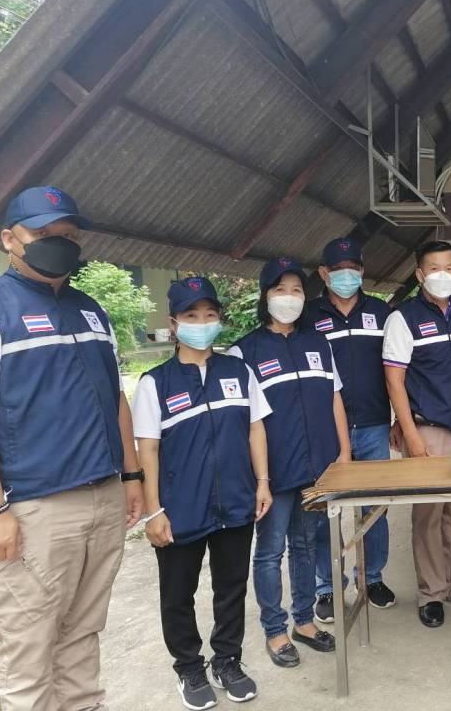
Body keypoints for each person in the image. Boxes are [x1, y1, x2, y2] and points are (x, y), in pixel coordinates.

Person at [0, 186, 144, 711]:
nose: (58, 243)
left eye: (68, 235)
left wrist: (132, 477)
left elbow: (115, 398)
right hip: (36, 506)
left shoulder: (91, 310)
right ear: (9, 239)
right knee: (28, 648)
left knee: (83, 631)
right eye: (43, 233)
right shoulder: (1, 308)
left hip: (104, 494)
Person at [132, 277, 273, 709]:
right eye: (191, 315)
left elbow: (255, 428)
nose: (202, 322)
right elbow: (147, 449)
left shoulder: (238, 372)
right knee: (178, 593)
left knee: (231, 587)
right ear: (174, 323)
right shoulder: (156, 382)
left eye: (210, 314)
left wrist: (262, 482)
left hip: (235, 499)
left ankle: (227, 661)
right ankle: (189, 668)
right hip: (180, 506)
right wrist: (153, 511)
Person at [229, 258, 351, 668]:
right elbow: (243, 422)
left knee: (306, 544)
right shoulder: (244, 352)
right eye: (279, 289)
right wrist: (258, 477)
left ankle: (304, 621)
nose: (289, 297)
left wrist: (343, 454)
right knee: (269, 551)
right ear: (265, 297)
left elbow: (334, 398)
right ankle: (275, 630)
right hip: (274, 470)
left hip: (317, 466)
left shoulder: (318, 343)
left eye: (296, 290)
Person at [382, 240, 451, 628]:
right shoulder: (404, 318)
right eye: (434, 269)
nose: (442, 275)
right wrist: (411, 435)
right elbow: (394, 381)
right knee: (429, 515)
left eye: (449, 268)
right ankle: (431, 592)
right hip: (428, 430)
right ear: (419, 274)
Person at [302, 237, 396, 619]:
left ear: (362, 271)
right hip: (325, 429)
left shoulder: (382, 312)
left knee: (376, 507)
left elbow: (395, 369)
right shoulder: (308, 316)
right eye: (338, 269)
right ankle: (327, 587)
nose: (346, 275)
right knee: (325, 509)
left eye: (353, 268)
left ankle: (371, 577)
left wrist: (398, 420)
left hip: (374, 424)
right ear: (324, 273)